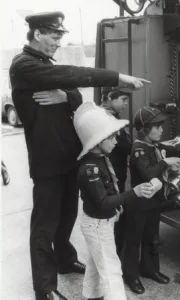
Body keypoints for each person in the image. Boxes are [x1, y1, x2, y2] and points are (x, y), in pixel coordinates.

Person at [9, 11, 150, 300]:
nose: (58, 42)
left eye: (61, 36)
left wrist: (65, 97)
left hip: (70, 157)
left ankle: (64, 259)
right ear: (37, 33)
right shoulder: (24, 66)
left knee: (67, 216)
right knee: (44, 227)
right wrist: (117, 76)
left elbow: (76, 95)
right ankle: (45, 288)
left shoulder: (45, 65)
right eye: (54, 35)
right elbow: (72, 75)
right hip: (47, 162)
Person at [74, 102, 162, 300]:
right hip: (97, 224)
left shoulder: (101, 158)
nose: (116, 141)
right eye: (111, 137)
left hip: (99, 223)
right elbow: (103, 202)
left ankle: (91, 296)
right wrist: (134, 192)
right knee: (112, 270)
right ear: (96, 141)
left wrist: (119, 207)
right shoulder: (91, 168)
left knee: (95, 265)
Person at [122, 106, 180, 294]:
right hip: (138, 204)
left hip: (153, 203)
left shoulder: (153, 145)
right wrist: (166, 162)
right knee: (134, 241)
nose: (161, 129)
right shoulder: (139, 149)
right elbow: (148, 173)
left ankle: (150, 270)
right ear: (144, 130)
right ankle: (131, 276)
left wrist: (177, 144)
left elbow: (166, 149)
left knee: (151, 238)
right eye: (157, 126)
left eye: (161, 125)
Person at [100, 86, 133, 258]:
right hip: (110, 177)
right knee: (113, 217)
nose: (126, 104)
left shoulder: (110, 116)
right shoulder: (106, 119)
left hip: (115, 175)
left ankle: (115, 254)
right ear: (110, 99)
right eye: (123, 100)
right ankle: (114, 258)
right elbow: (124, 146)